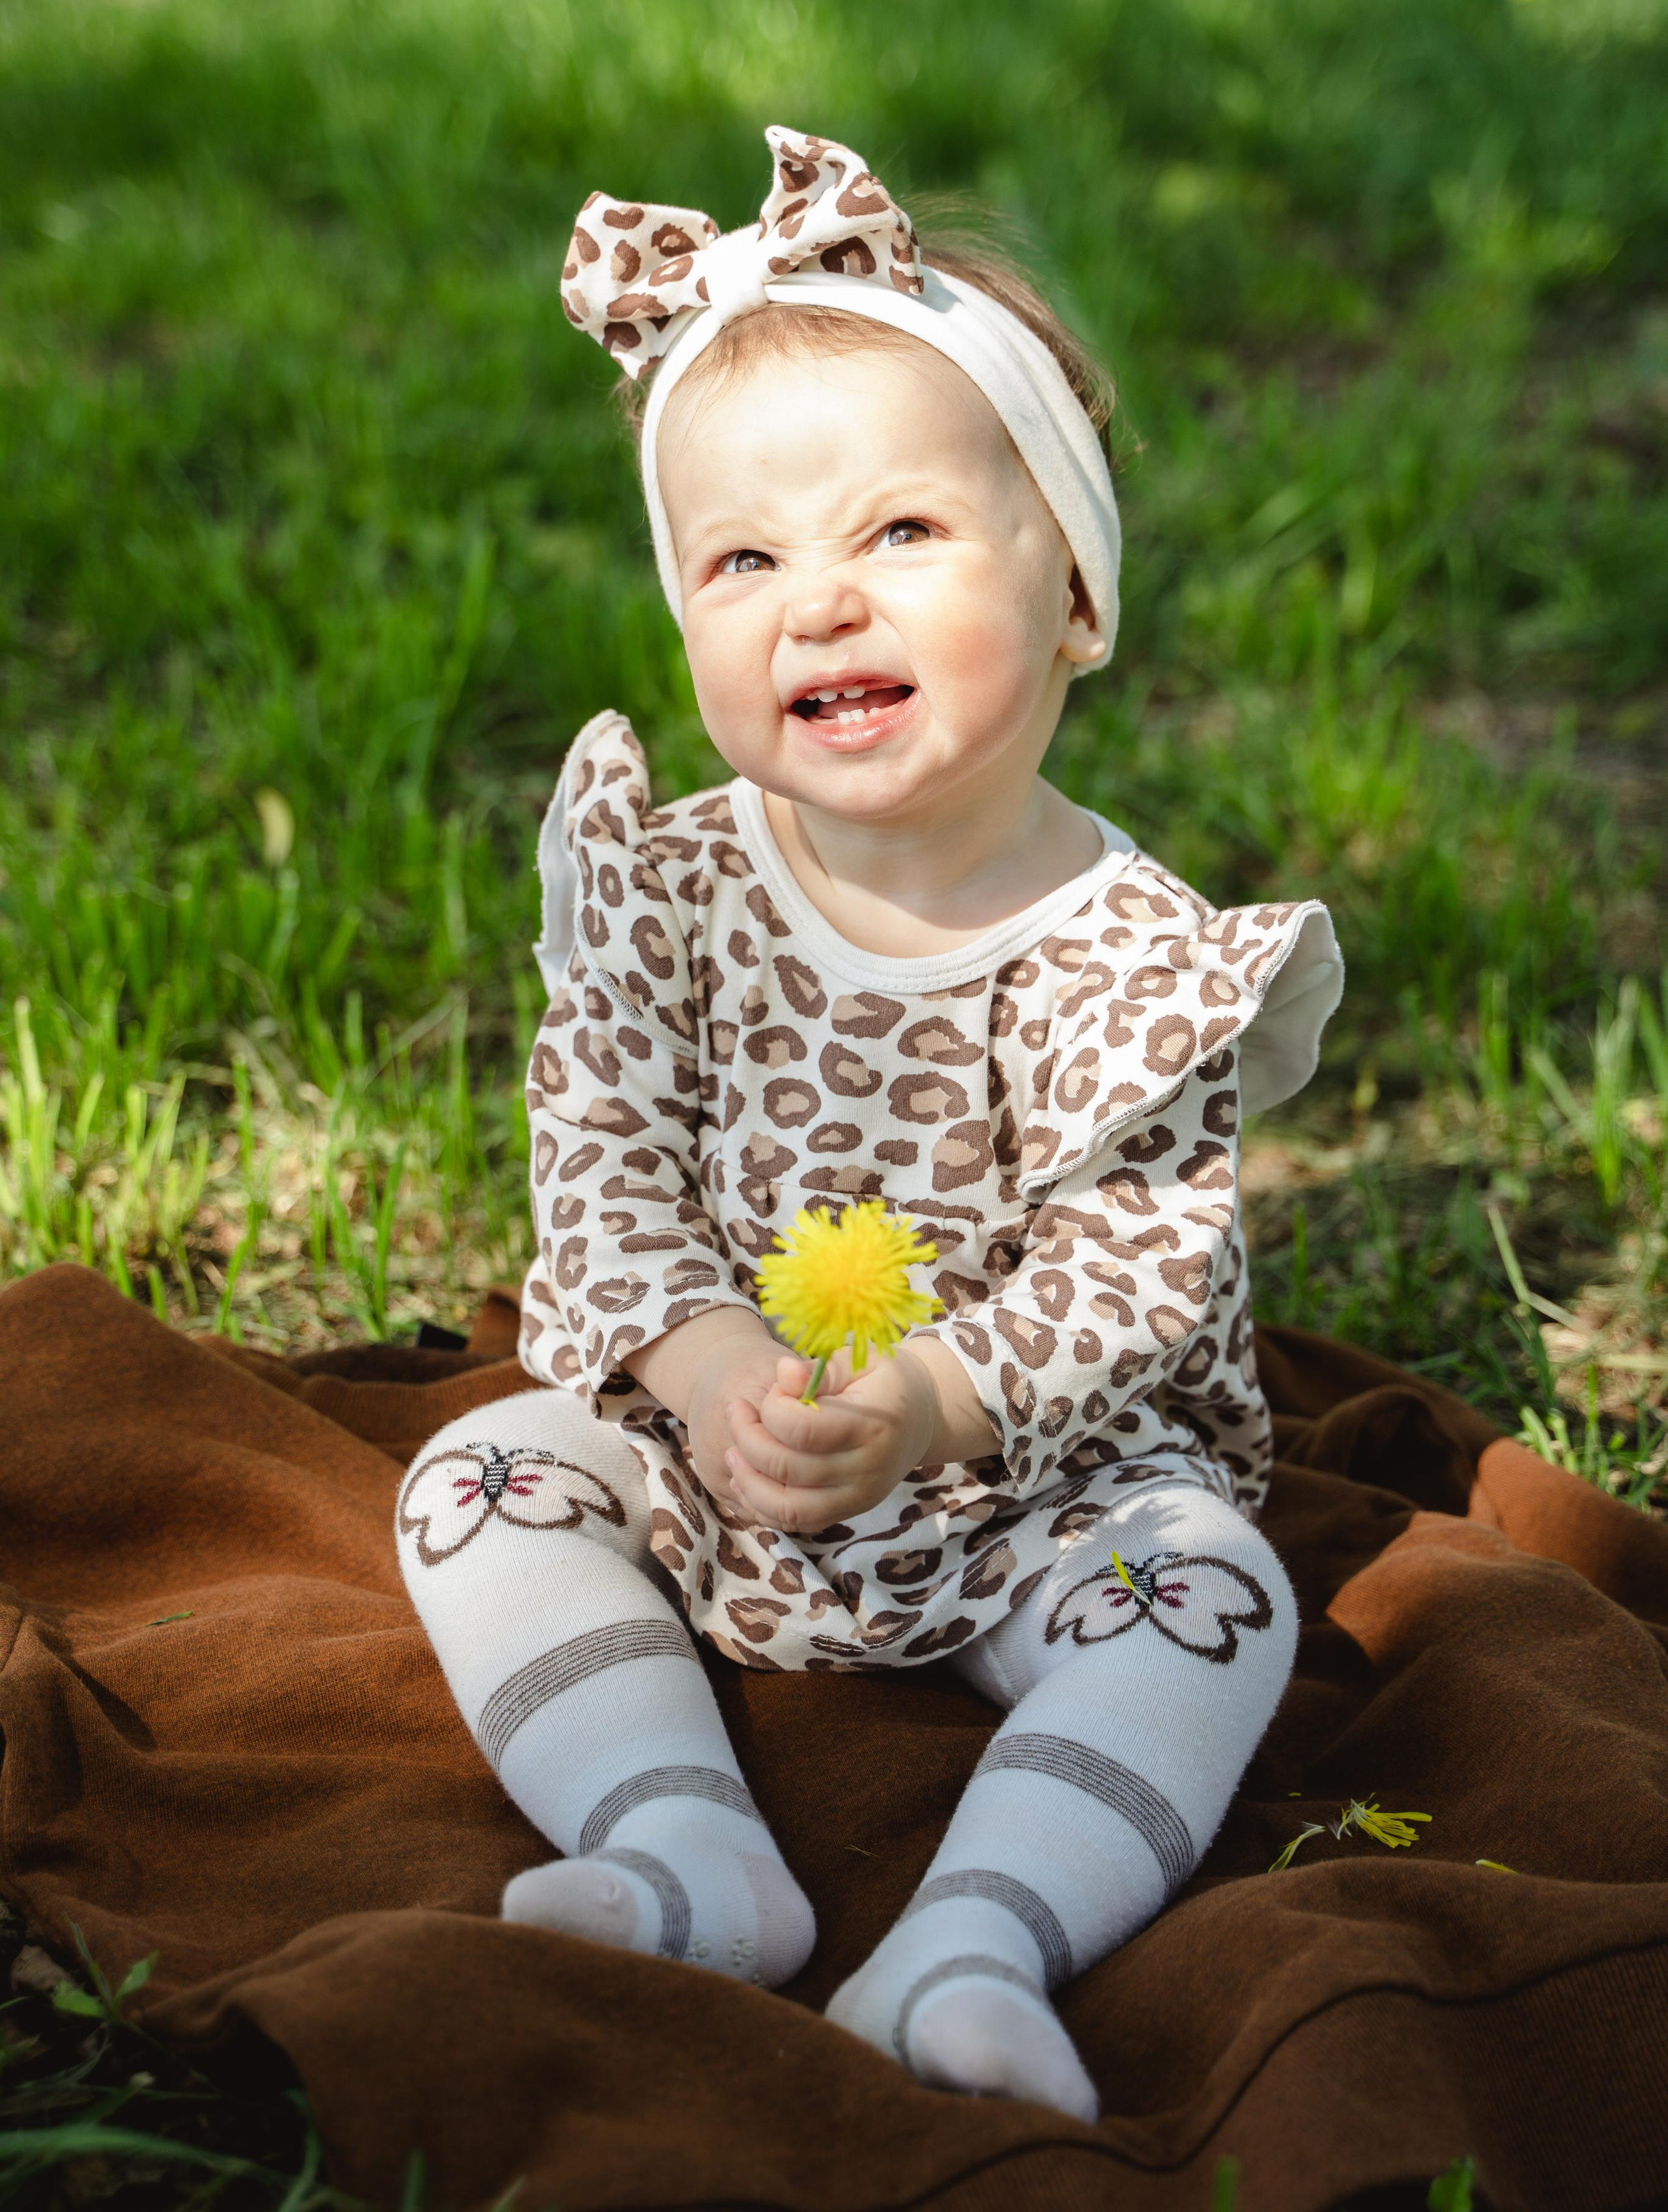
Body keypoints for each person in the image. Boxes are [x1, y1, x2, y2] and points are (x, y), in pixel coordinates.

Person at [395, 126, 1343, 2122]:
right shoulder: (669, 883)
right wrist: (713, 1365)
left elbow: (1143, 1273)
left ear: (1074, 594)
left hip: (1022, 1486)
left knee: (1215, 1590)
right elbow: (603, 1157)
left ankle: (975, 1940)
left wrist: (928, 1404)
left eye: (900, 533)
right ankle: (682, 1847)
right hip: (718, 1438)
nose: (818, 604)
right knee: (482, 1480)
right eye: (744, 561)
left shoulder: (1129, 948)